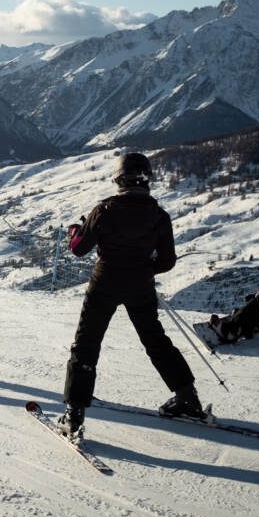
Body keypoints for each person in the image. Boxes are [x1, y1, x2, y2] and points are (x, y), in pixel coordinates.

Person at [58, 153, 206, 437]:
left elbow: (78, 248)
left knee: (87, 343)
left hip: (105, 283)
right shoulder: (158, 215)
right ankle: (187, 398)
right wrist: (141, 267)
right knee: (155, 340)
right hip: (141, 285)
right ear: (146, 179)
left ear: (119, 179)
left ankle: (74, 413)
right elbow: (167, 261)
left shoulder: (104, 209)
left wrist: (75, 231)